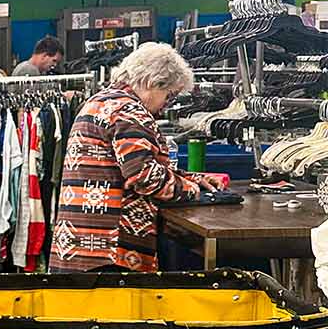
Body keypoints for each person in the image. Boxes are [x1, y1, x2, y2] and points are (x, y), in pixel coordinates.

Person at [50, 42, 227, 273]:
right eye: (169, 94)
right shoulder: (128, 111)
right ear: (152, 83)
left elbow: (125, 165)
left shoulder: (99, 101)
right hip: (110, 255)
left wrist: (190, 178)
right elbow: (144, 177)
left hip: (82, 247)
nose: (166, 105)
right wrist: (193, 190)